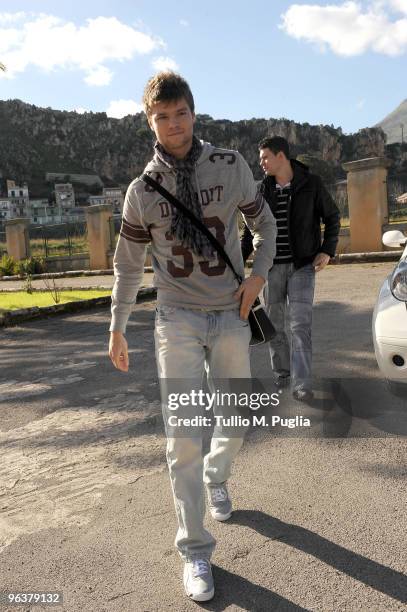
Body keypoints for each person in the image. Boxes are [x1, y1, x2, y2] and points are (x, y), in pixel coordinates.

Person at [108, 72, 276, 602]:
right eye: (162, 116)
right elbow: (129, 268)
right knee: (182, 436)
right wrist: (117, 326)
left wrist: (257, 276)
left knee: (234, 419)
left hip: (229, 311)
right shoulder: (141, 191)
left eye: (180, 113)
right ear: (149, 122)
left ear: (193, 113)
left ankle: (218, 474)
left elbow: (263, 226)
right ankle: (196, 550)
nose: (173, 124)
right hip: (175, 319)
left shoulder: (229, 166)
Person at [241, 136, 340, 402]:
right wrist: (237, 263)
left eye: (264, 157)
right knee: (274, 326)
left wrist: (327, 250)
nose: (260, 162)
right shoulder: (262, 190)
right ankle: (283, 375)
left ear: (281, 156)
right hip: (270, 268)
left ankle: (302, 383)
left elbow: (332, 217)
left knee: (300, 325)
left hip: (302, 267)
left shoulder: (311, 184)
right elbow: (251, 232)